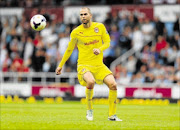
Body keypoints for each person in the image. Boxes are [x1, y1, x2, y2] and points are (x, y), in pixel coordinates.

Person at [56, 7, 122, 121]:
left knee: (113, 85)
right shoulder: (76, 32)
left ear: (90, 15)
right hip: (84, 65)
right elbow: (69, 50)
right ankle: (89, 110)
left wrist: (100, 49)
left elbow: (107, 42)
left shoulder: (100, 27)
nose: (83, 16)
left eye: (85, 14)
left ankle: (112, 115)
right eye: (81, 15)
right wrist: (61, 65)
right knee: (90, 81)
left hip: (99, 65)